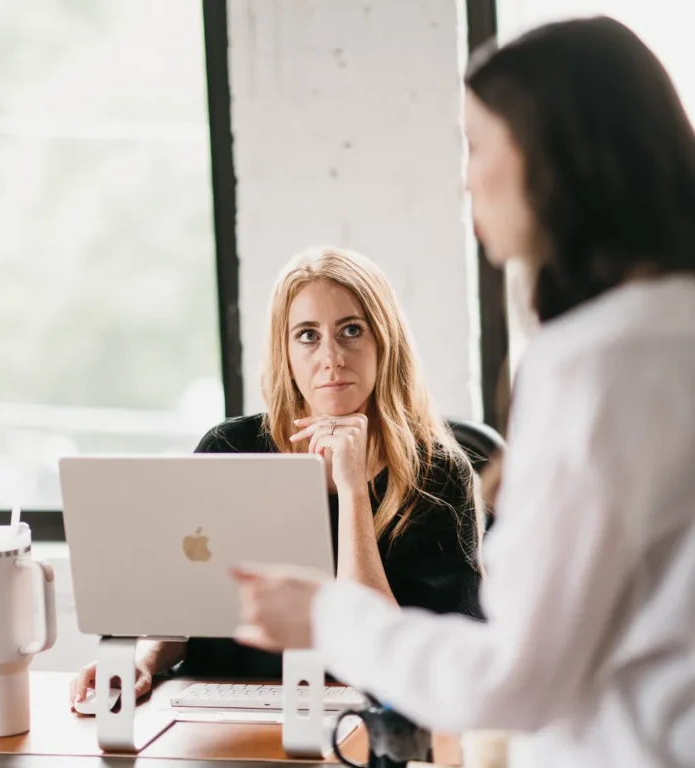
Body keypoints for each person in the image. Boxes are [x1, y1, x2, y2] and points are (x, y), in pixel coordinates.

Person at [230, 17, 695, 767]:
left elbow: (514, 675)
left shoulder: (594, 366)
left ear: (556, 158)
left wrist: (324, 615)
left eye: (476, 147)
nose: (465, 178)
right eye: (305, 335)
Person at [70, 246, 484, 707]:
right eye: (307, 336)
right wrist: (143, 659)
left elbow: (406, 660)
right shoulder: (229, 450)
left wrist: (352, 490)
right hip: (225, 708)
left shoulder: (439, 477)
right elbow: (188, 610)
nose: (331, 357)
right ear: (285, 352)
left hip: (366, 718)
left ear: (383, 343)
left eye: (351, 330)